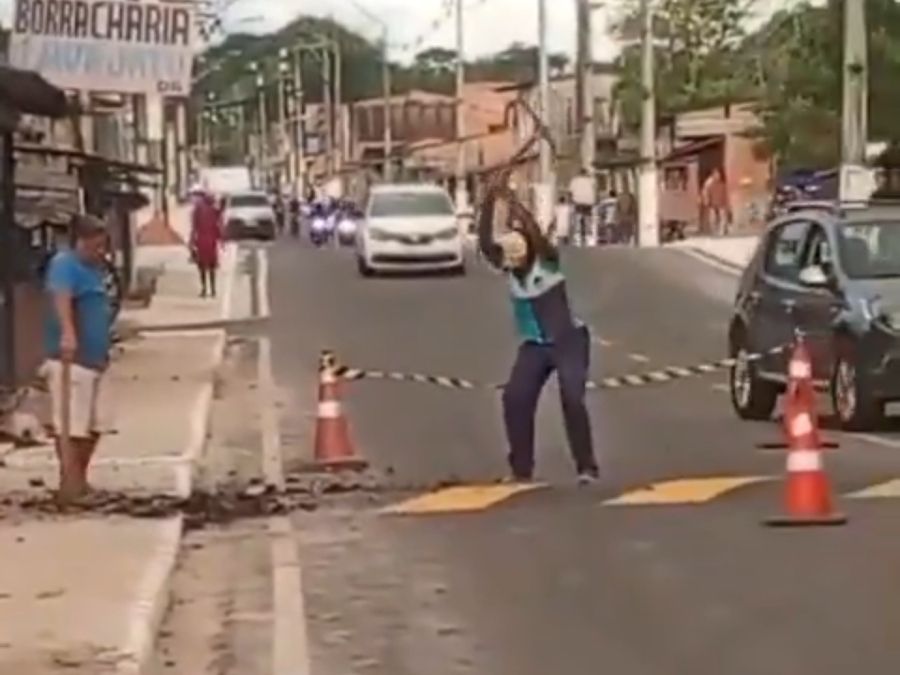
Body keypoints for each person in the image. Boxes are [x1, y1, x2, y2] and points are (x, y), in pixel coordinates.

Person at [477, 169, 600, 484]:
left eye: (516, 256)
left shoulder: (547, 260)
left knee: (572, 398)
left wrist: (514, 201)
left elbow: (533, 231)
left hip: (568, 341)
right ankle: (521, 468)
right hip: (534, 346)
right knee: (514, 399)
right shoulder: (508, 265)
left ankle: (587, 467)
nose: (510, 263)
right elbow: (485, 243)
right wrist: (490, 199)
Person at [43, 214, 114, 503]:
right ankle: (69, 485)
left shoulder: (95, 269)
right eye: (95, 245)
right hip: (72, 360)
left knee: (93, 427)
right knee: (71, 426)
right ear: (80, 241)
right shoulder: (64, 265)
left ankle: (79, 480)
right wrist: (68, 334)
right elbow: (62, 298)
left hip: (95, 358)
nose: (99, 251)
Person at [190, 188, 223, 297]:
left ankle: (204, 289)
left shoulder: (198, 209)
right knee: (211, 267)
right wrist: (221, 239)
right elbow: (218, 224)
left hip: (201, 241)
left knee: (202, 267)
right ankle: (212, 289)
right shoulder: (214, 209)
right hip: (211, 241)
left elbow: (194, 226)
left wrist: (192, 240)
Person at [569, 168, 596, 246]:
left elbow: (570, 192)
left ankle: (578, 235)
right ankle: (588, 235)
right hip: (588, 202)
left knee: (578, 217)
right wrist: (595, 201)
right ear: (586, 173)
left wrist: (571, 202)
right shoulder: (591, 180)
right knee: (587, 218)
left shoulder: (574, 181)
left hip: (578, 202)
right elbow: (595, 190)